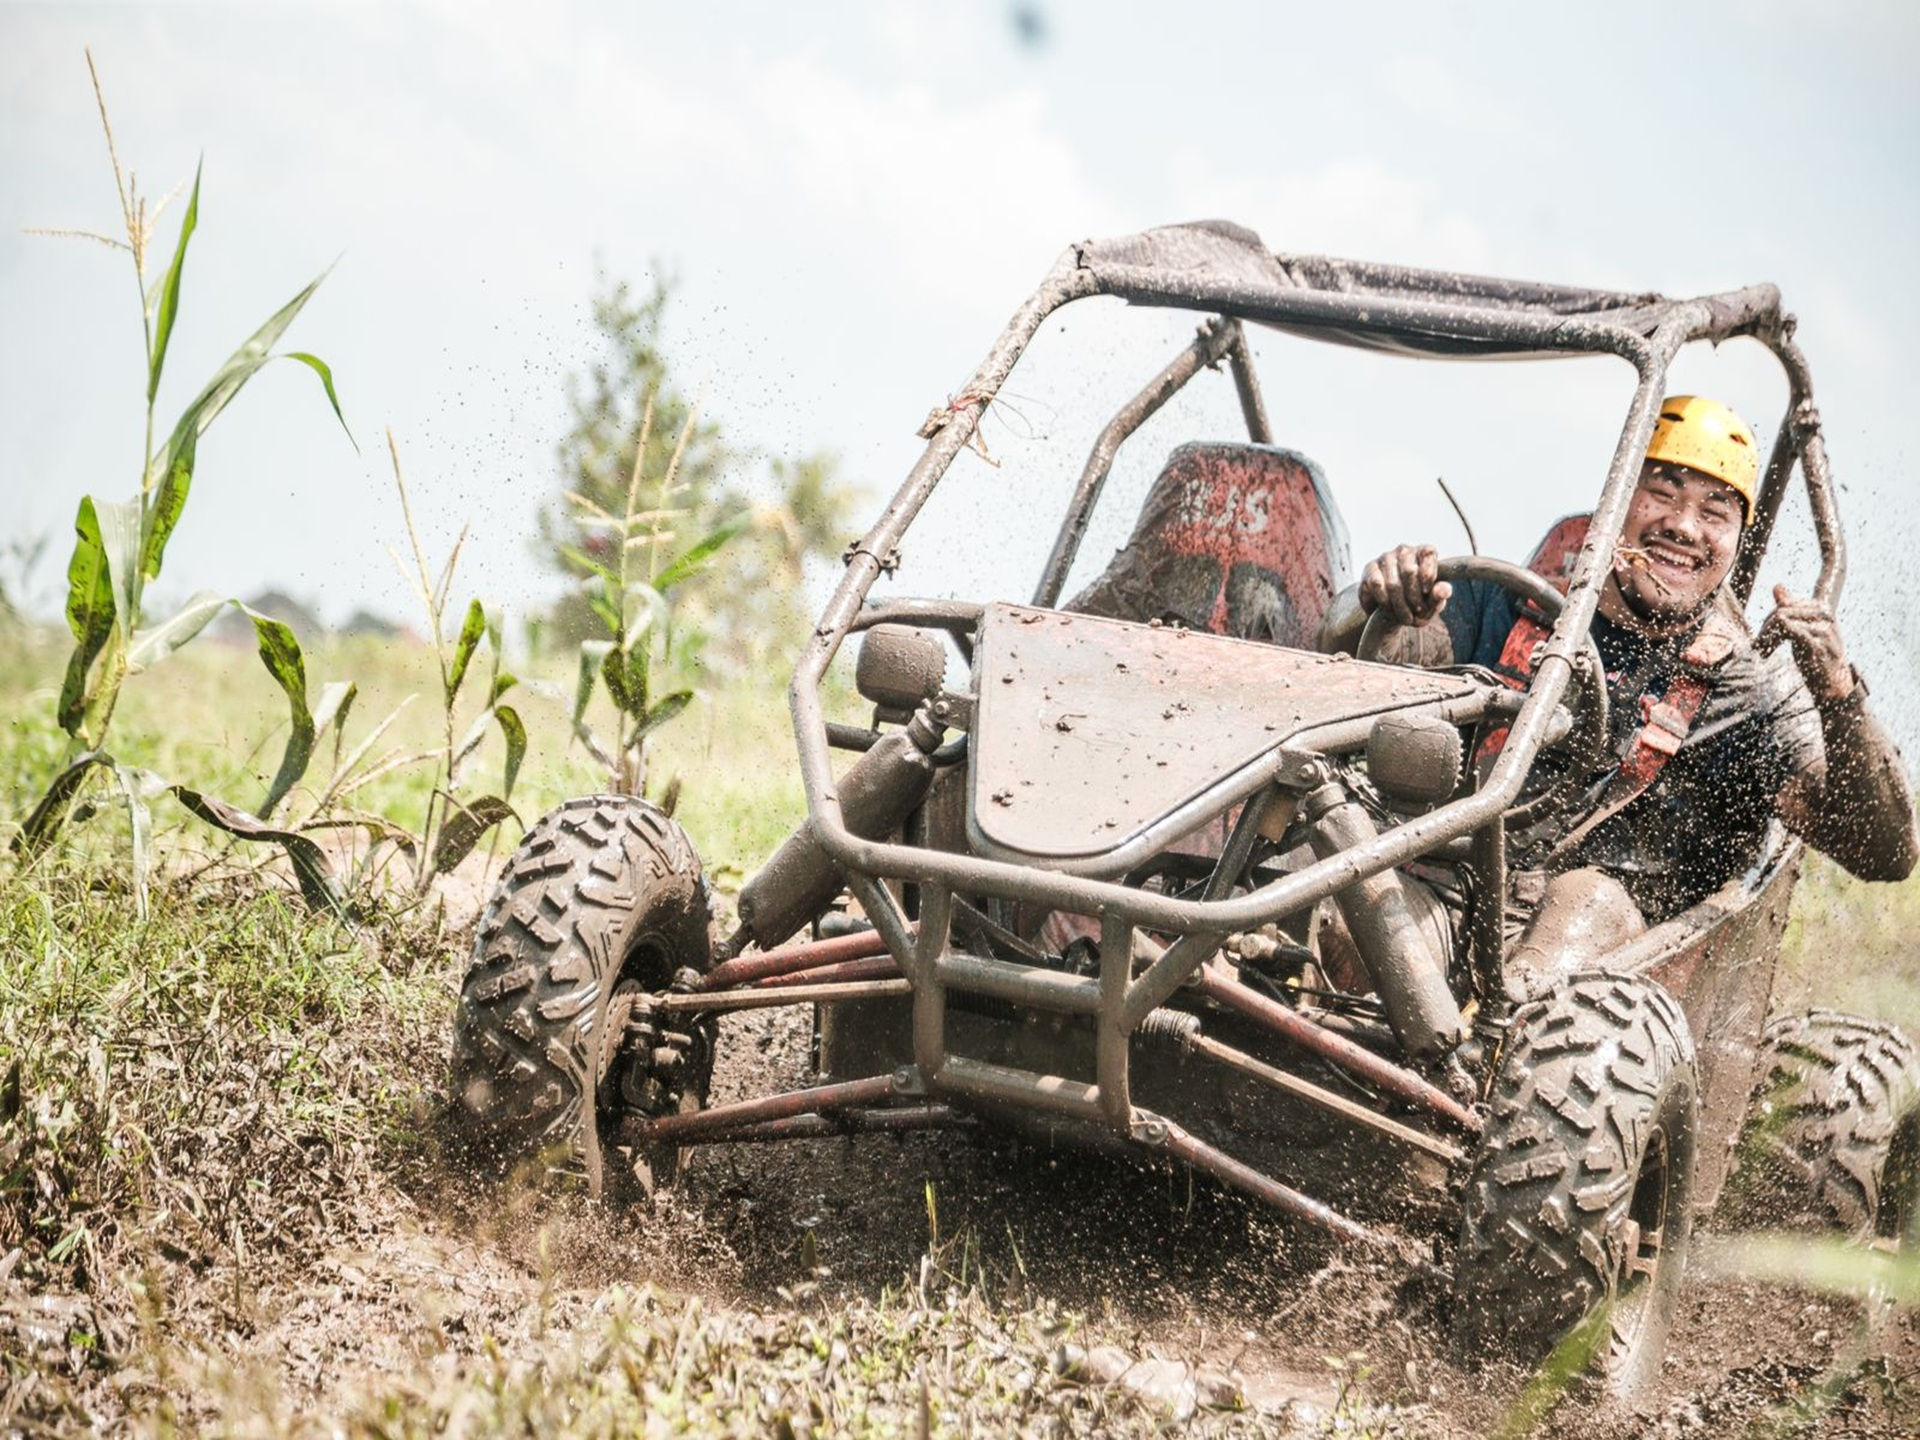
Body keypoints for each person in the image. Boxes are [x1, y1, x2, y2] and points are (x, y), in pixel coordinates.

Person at [1350, 395, 1916, 992]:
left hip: (1597, 981)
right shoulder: (1512, 602)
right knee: (1337, 895)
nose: (1684, 526)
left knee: (1588, 902)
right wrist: (1385, 605)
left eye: (1714, 511)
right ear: (1618, 502)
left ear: (1735, 541)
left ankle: (1499, 1034)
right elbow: (1365, 675)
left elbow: (1884, 853)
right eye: (1663, 493)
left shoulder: (1747, 693)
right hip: (1437, 900)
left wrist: (1840, 696)